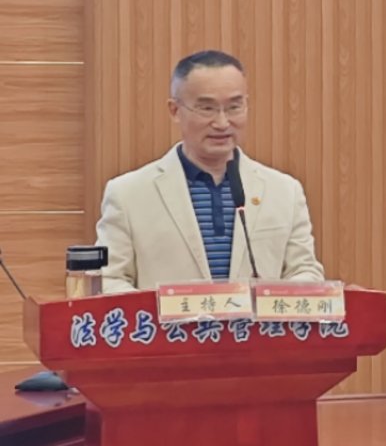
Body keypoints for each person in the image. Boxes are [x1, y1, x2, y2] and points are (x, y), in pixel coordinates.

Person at [94, 50, 325, 293]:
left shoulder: (285, 191)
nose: (222, 123)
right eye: (207, 108)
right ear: (175, 110)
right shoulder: (128, 193)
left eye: (234, 107)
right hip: (168, 320)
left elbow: (305, 271)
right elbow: (109, 279)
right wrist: (159, 309)